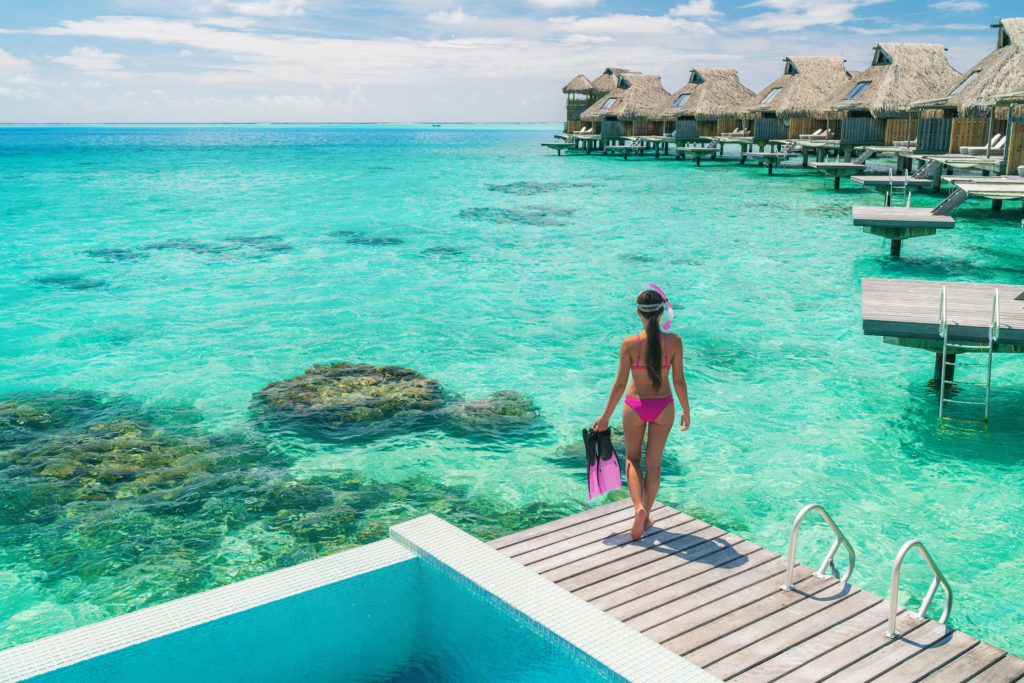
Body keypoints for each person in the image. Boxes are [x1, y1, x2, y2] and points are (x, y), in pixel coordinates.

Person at [593, 285, 690, 541]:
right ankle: (646, 517)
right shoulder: (675, 341)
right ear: (661, 313)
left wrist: (605, 417)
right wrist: (686, 410)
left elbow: (620, 384)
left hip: (635, 407)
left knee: (632, 461)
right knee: (654, 464)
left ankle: (638, 509)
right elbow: (679, 381)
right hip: (664, 407)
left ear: (638, 313)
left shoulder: (629, 344)